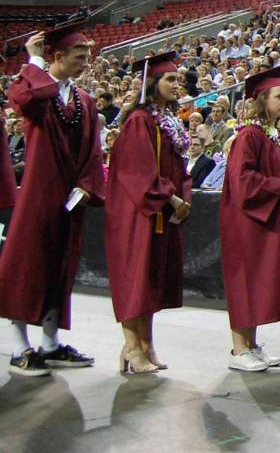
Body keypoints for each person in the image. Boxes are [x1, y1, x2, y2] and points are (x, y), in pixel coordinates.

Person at [0, 24, 106, 377]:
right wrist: (33, 60)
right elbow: (25, 99)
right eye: (79, 57)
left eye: (88, 57)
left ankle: (50, 342)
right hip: (37, 196)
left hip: (69, 199)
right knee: (28, 267)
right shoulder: (39, 95)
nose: (86, 63)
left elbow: (93, 152)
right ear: (57, 57)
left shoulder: (85, 102)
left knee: (60, 269)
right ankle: (19, 346)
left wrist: (88, 186)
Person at [219, 66, 280, 372]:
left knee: (258, 284)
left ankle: (252, 346)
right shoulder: (249, 136)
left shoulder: (278, 136)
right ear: (262, 98)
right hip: (248, 222)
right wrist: (279, 186)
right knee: (245, 282)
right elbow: (242, 179)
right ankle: (238, 349)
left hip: (270, 218)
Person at [105, 52, 192, 374]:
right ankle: (131, 346)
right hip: (137, 213)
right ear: (152, 83)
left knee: (151, 280)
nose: (176, 84)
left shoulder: (168, 121)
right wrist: (170, 198)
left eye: (177, 78)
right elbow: (137, 171)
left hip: (161, 210)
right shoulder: (140, 120)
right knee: (135, 278)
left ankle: (146, 344)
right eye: (170, 79)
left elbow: (182, 168)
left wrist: (182, 197)